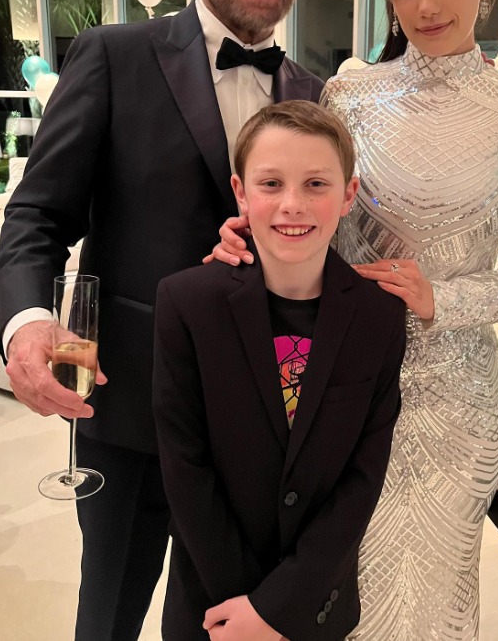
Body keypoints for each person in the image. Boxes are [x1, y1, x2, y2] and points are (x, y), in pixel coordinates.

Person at [210, 0, 498, 640]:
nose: (427, 5)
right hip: (342, 389)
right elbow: (315, 213)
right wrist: (258, 233)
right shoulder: (350, 94)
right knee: (337, 594)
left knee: (436, 603)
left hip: (458, 407)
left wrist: (446, 299)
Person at [0, 0, 324, 641]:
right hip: (128, 410)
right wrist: (26, 322)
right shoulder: (114, 56)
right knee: (107, 617)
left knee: (219, 625)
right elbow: (37, 215)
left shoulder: (314, 96)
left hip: (258, 433)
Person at [153, 100, 406, 641]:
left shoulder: (379, 316)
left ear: (348, 195)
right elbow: (184, 464)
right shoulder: (186, 303)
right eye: (271, 184)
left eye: (316, 184)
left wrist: (280, 608)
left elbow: (363, 476)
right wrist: (246, 607)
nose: (293, 205)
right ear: (241, 192)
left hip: (314, 604)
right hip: (212, 604)